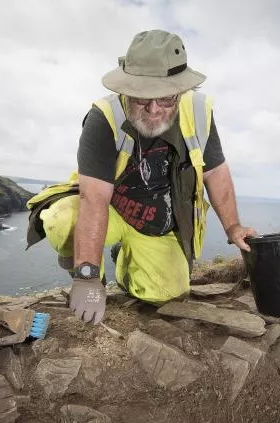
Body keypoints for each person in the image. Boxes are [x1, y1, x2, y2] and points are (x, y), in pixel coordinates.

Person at [26, 29, 256, 325]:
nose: (153, 109)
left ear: (180, 90)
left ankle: (124, 264)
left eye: (166, 98)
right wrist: (87, 276)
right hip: (109, 212)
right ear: (127, 89)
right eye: (141, 98)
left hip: (157, 227)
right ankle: (91, 268)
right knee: (61, 220)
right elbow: (94, 199)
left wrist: (233, 226)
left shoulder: (200, 113)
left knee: (168, 295)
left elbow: (215, 171)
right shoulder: (104, 117)